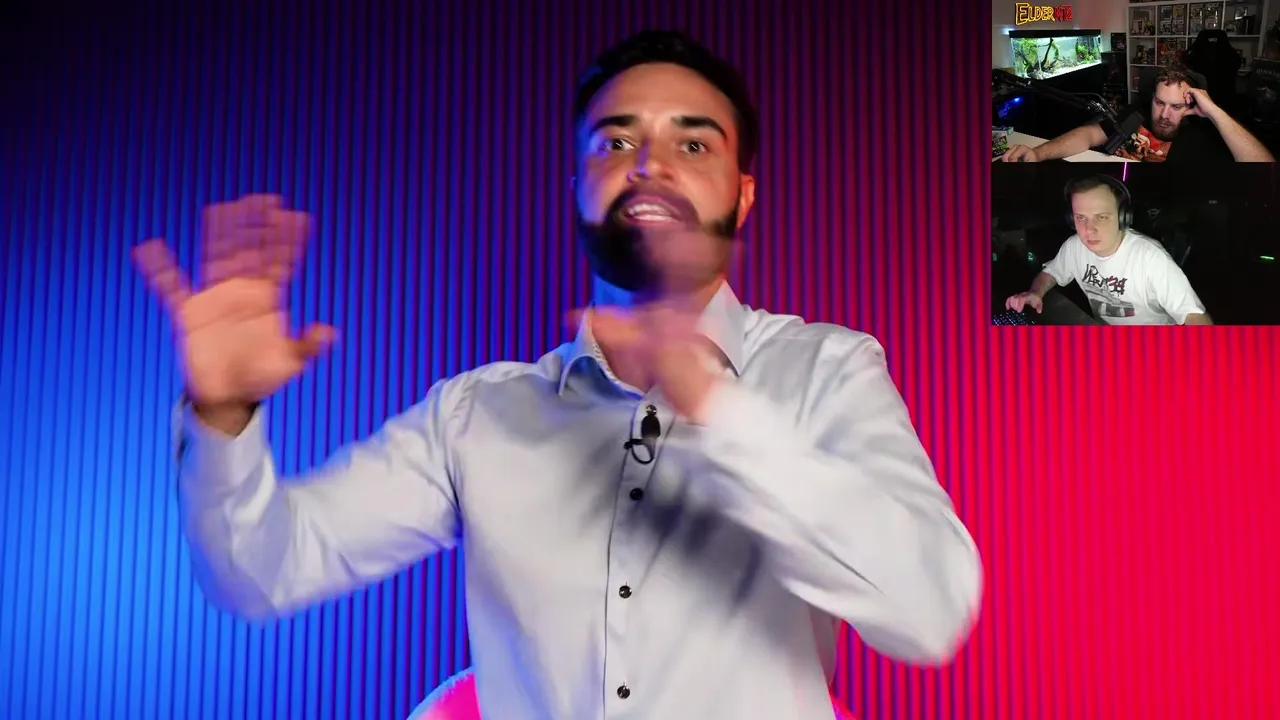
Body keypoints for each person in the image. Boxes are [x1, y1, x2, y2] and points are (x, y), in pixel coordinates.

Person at [133, 30, 983, 719]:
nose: (650, 164)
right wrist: (223, 414)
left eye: (693, 142)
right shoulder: (478, 415)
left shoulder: (826, 369)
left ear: (744, 194)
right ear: (577, 184)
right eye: (617, 141)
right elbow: (262, 572)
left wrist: (720, 412)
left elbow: (931, 607)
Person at [1006, 174, 1212, 325]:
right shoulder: (1075, 246)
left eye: (1102, 217)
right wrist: (1035, 292)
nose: (1089, 229)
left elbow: (1194, 316)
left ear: (1123, 218)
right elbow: (1050, 274)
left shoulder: (1151, 258)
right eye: (1081, 218)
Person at [1000, 65, 1275, 163]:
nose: (1164, 114)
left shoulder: (1201, 138)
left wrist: (1214, 111)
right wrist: (1038, 153)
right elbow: (1088, 134)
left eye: (1176, 107)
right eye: (1159, 102)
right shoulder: (1136, 114)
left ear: (1191, 106)